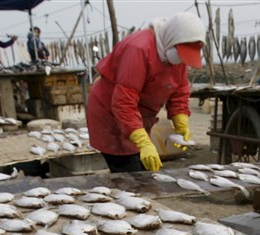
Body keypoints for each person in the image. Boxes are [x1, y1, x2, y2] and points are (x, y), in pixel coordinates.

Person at [85, 12, 205, 173]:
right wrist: (143, 142)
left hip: (137, 117)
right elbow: (123, 103)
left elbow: (180, 90)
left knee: (143, 168)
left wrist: (180, 120)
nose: (182, 62)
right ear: (172, 42)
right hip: (111, 115)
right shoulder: (139, 49)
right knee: (130, 172)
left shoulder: (178, 55)